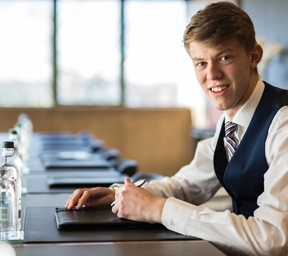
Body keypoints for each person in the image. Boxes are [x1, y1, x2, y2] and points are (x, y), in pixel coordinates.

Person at [66, 2, 288, 255]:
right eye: (201, 63)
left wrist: (159, 210)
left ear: (254, 56)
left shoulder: (283, 123)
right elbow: (186, 186)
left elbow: (274, 239)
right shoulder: (232, 121)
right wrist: (120, 194)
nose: (212, 74)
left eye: (224, 57)